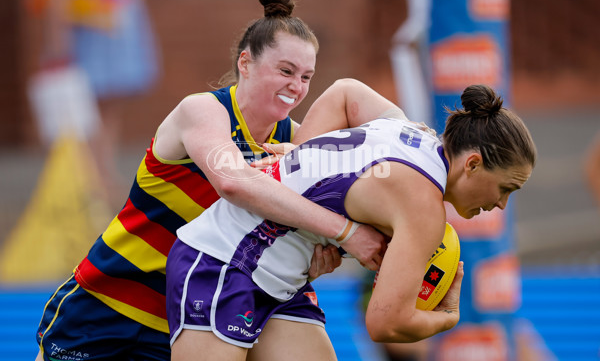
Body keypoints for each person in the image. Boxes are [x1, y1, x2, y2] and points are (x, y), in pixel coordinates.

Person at [34, 0, 389, 361]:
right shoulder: (202, 111)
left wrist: (316, 259)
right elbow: (233, 182)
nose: (297, 87)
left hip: (186, 315)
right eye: (286, 70)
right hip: (107, 302)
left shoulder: (296, 140)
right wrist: (346, 232)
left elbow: (346, 196)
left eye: (306, 76)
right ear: (245, 63)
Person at [165, 79, 537, 361]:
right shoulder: (423, 207)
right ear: (472, 164)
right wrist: (448, 316)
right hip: (223, 264)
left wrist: (303, 154)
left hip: (281, 284)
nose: (501, 204)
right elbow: (387, 324)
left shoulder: (412, 131)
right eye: (506, 188)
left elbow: (345, 91)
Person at [32, 0, 160, 200]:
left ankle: (103, 172)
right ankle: (87, 179)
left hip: (119, 32)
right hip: (84, 38)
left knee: (111, 108)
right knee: (84, 110)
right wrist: (58, 48)